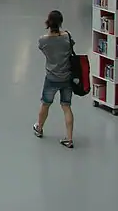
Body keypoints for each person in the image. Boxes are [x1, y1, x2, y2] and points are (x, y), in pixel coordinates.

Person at [33, 10, 74, 148]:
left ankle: (39, 128)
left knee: (45, 104)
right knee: (66, 107)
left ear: (48, 23)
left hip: (51, 77)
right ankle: (69, 138)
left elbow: (43, 50)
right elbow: (71, 47)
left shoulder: (43, 40)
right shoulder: (67, 37)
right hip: (67, 76)